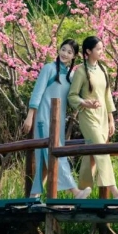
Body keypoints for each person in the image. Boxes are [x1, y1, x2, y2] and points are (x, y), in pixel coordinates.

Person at [22, 39, 92, 199]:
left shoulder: (71, 76)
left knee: (47, 159)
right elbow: (38, 92)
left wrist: (85, 103)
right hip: (43, 118)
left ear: (74, 56)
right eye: (63, 49)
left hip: (58, 122)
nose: (65, 54)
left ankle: (33, 196)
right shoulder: (49, 68)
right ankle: (75, 191)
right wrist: (30, 116)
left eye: (69, 52)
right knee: (56, 153)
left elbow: (73, 99)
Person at [68, 36, 118, 199]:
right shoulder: (81, 71)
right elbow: (72, 96)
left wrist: (111, 120)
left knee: (91, 153)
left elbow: (107, 96)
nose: (101, 52)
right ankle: (115, 191)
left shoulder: (102, 69)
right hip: (88, 117)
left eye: (102, 48)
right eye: (98, 49)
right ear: (88, 51)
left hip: (103, 117)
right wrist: (85, 103)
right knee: (102, 151)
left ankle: (82, 190)